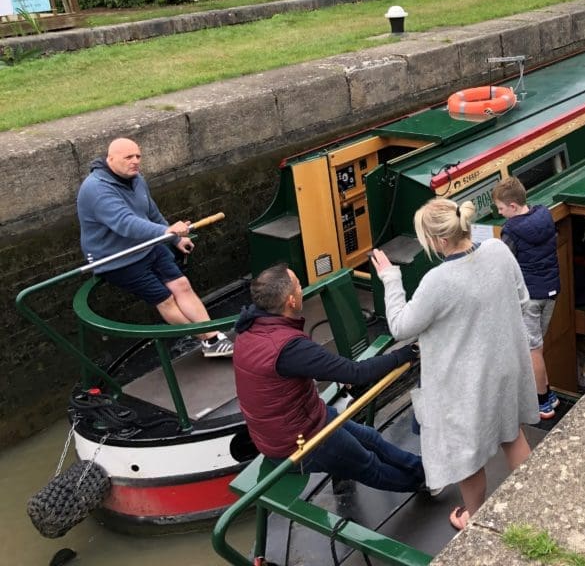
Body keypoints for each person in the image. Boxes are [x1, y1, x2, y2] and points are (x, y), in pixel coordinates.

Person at [370, 198, 537, 532]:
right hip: (506, 366)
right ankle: (532, 501)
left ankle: (475, 519)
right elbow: (521, 298)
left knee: (466, 455)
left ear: (440, 242)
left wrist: (390, 278)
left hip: (469, 383)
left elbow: (402, 327)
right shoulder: (497, 249)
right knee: (512, 434)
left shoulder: (437, 281)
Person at [233, 263, 424, 492]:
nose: (302, 289)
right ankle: (425, 482)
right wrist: (406, 354)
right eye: (298, 286)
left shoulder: (249, 329)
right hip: (300, 442)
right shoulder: (289, 347)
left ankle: (422, 469)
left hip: (297, 424)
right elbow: (356, 373)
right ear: (291, 302)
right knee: (368, 465)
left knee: (370, 437)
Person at [77, 137, 233, 357]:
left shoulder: (137, 179)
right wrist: (165, 233)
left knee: (182, 285)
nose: (135, 161)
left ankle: (213, 333)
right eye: (128, 157)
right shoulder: (96, 189)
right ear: (110, 159)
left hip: (147, 245)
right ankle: (209, 340)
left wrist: (175, 239)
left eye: (138, 156)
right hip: (117, 257)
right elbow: (125, 222)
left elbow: (151, 213)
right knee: (165, 298)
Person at [492, 177, 561, 420]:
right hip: (551, 291)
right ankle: (550, 393)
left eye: (501, 208)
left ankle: (542, 403)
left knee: (532, 350)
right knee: (537, 347)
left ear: (512, 206)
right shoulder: (544, 214)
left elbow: (505, 263)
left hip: (530, 296)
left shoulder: (511, 230)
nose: (500, 213)